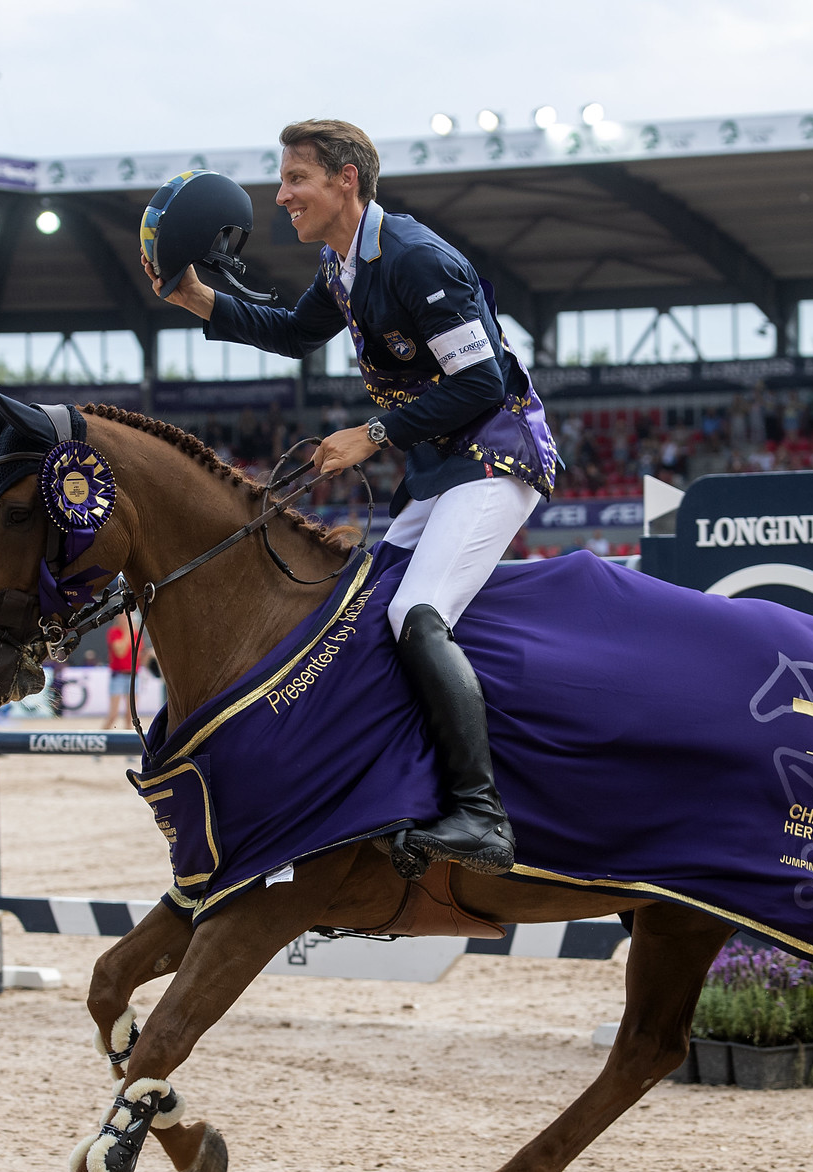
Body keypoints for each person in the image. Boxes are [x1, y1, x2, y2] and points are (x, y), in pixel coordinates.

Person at [142, 120, 559, 878]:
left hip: (496, 458)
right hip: (439, 469)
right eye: (282, 179)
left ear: (345, 181)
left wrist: (371, 434)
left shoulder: (414, 257)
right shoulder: (343, 263)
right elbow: (299, 332)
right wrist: (197, 299)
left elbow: (480, 384)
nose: (280, 195)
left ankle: (480, 814)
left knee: (413, 613)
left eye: (295, 178)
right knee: (360, 619)